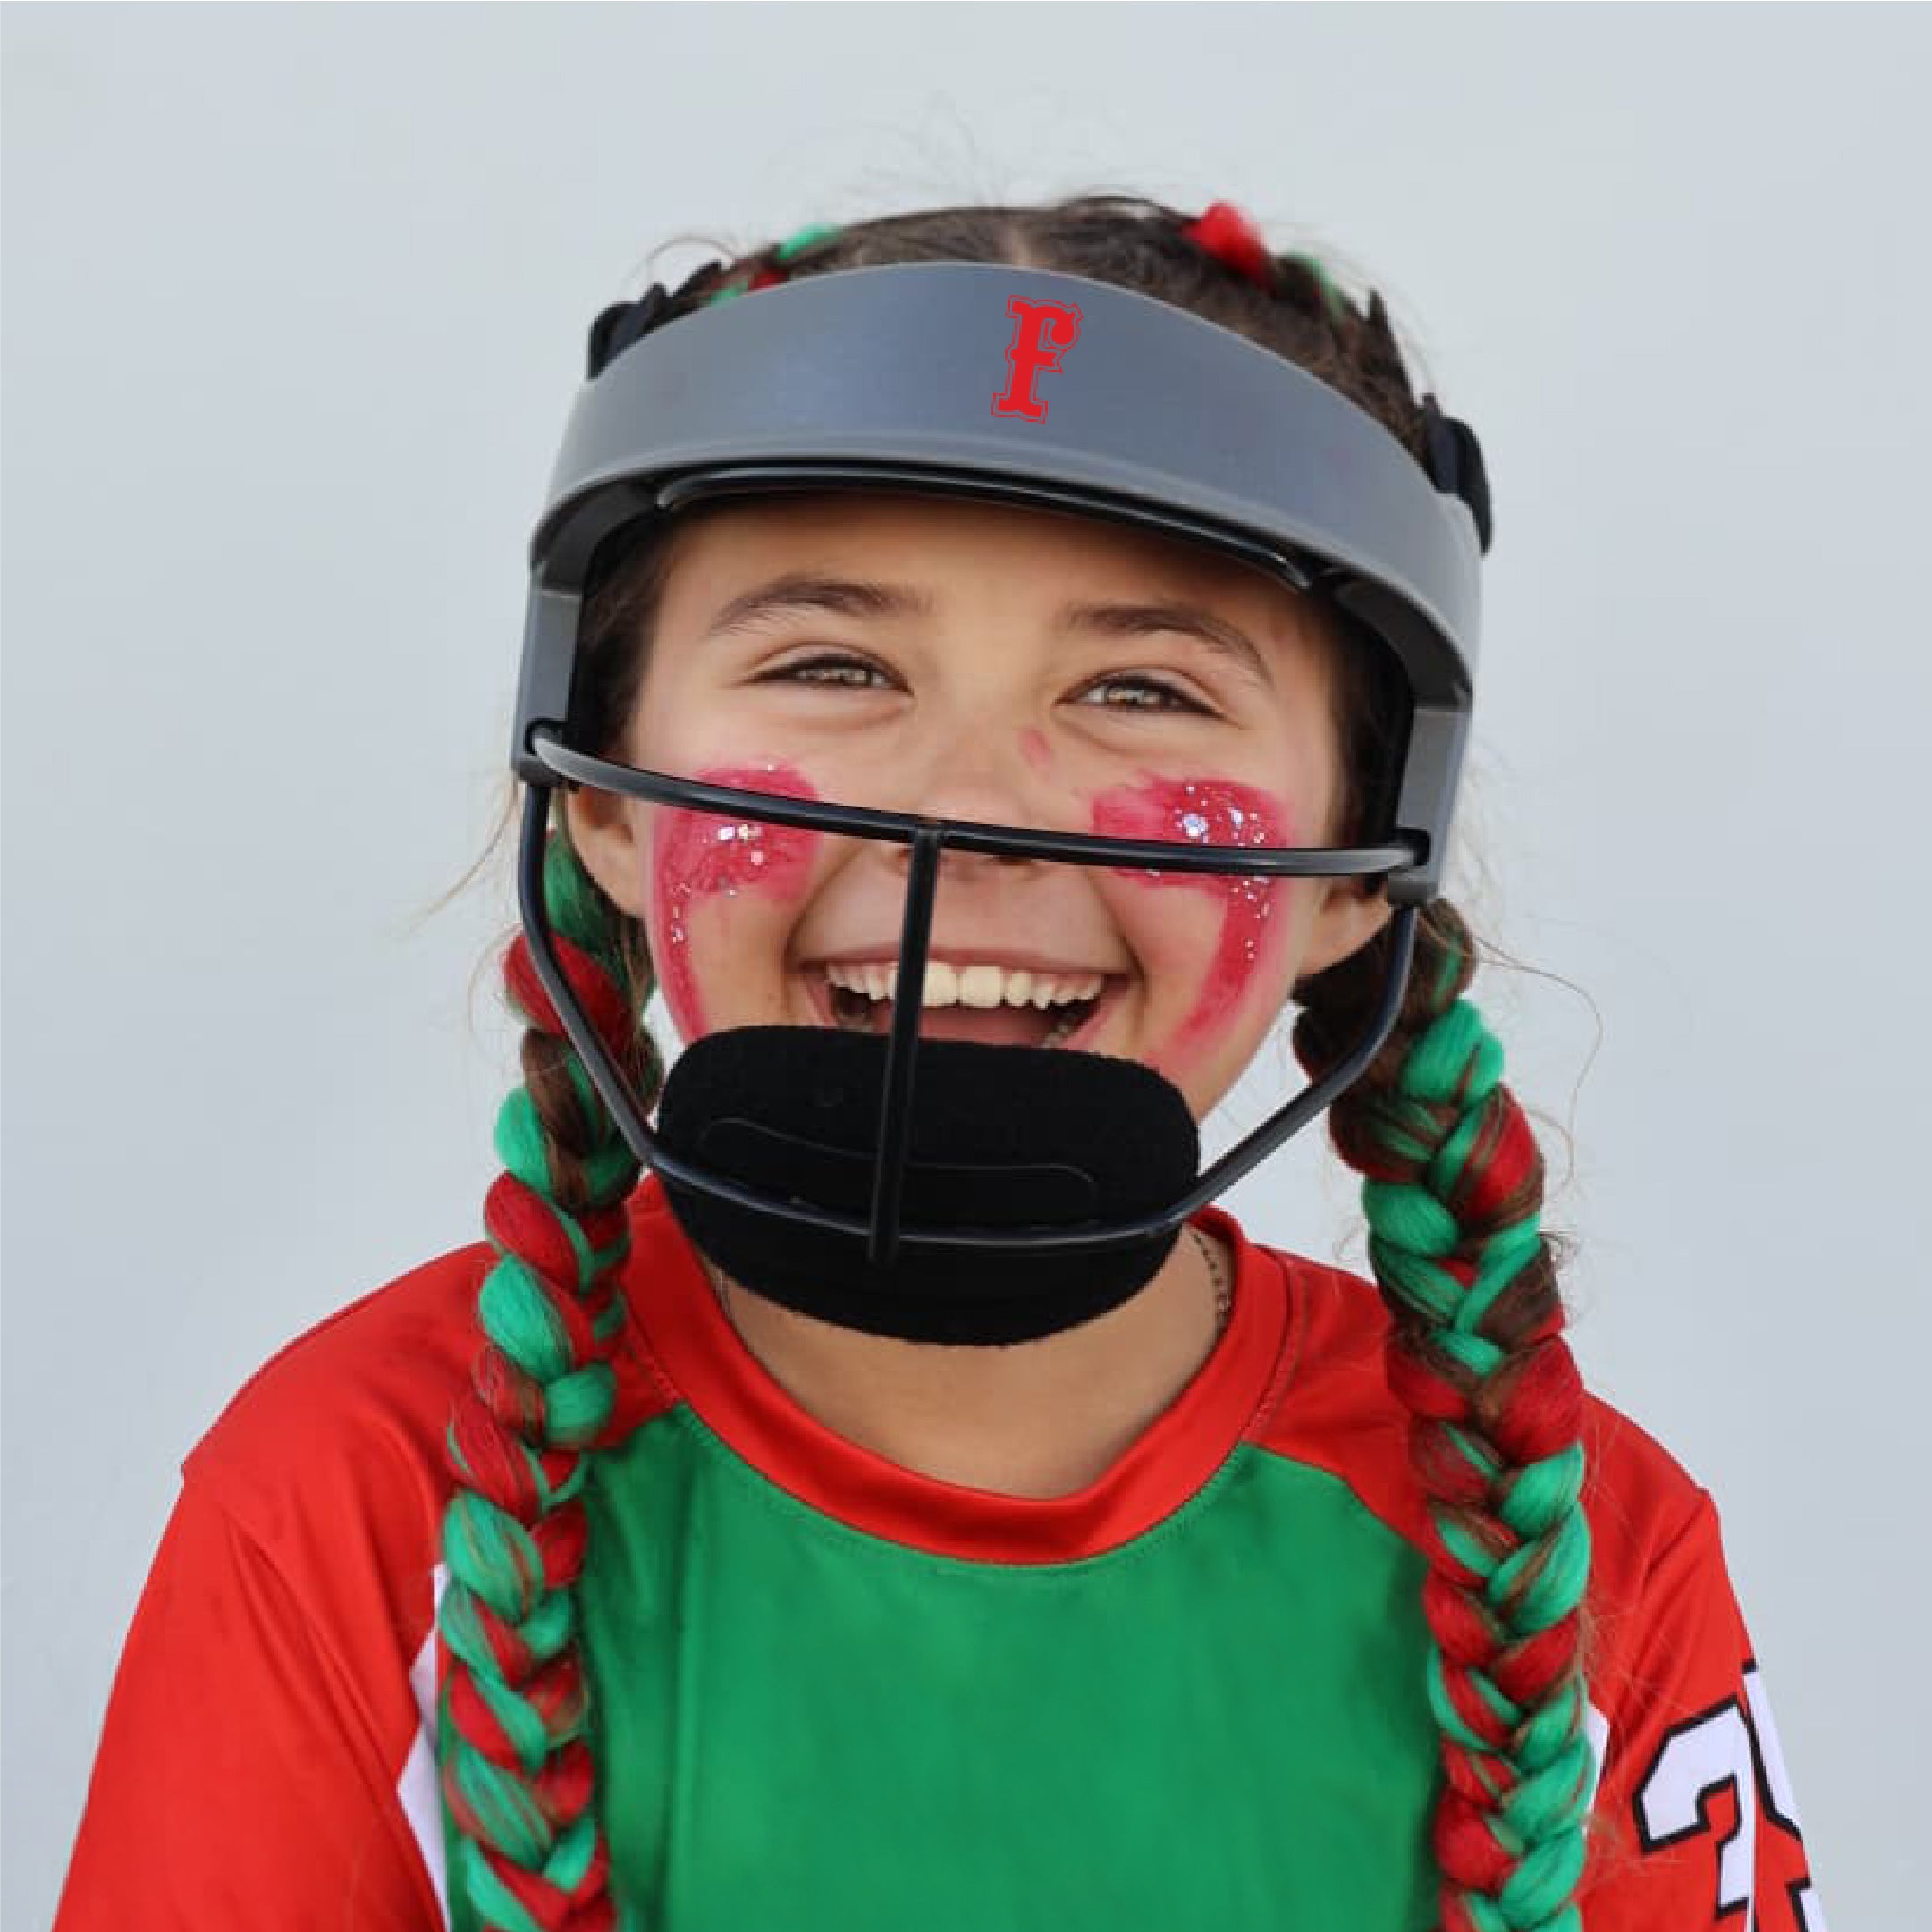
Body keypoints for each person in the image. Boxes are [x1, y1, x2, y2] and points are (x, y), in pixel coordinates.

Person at [55, 194, 1823, 1932]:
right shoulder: (360, 1498)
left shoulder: (1580, 1555)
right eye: (831, 664)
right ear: (599, 793)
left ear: (1362, 865)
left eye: (1141, 690)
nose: (967, 804)